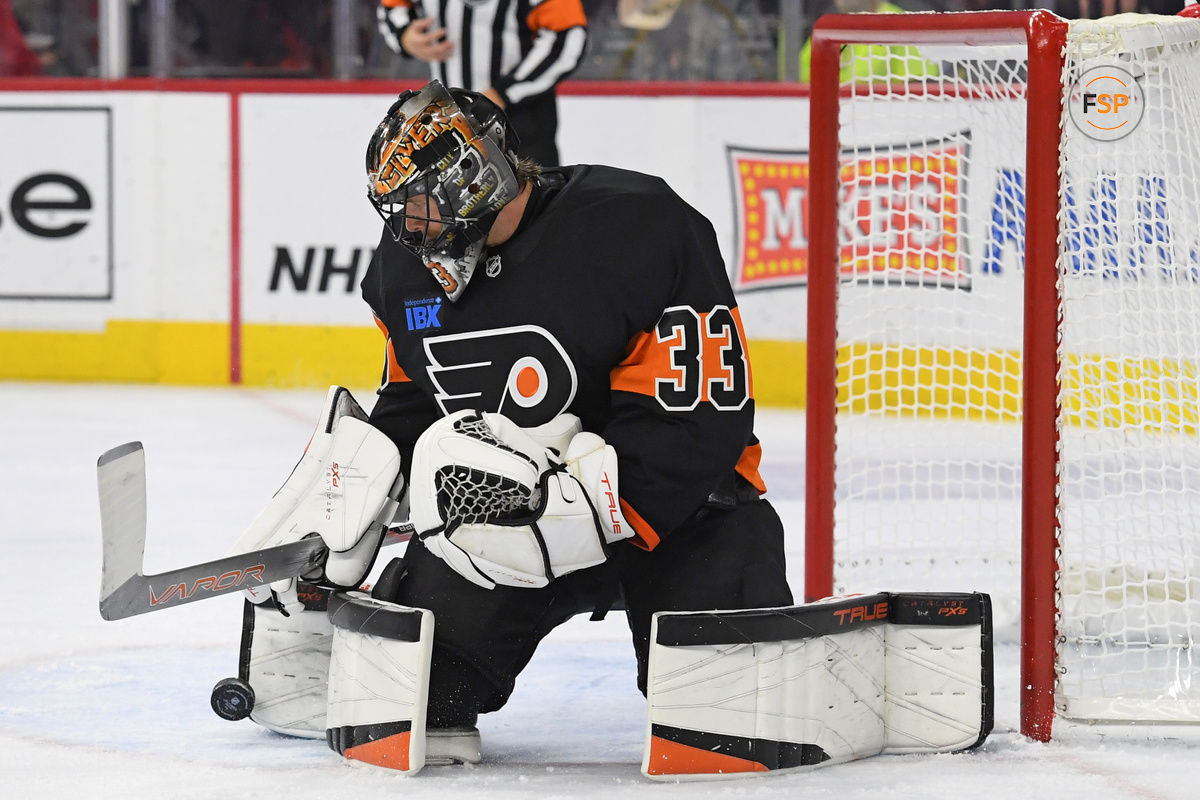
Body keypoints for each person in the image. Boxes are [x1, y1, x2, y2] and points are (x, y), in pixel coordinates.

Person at [346, 80, 793, 761]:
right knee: (403, 705)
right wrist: (345, 503)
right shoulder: (404, 272)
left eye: (421, 200)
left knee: (725, 724)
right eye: (398, 206)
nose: (409, 224)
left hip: (678, 516)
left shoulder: (637, 224)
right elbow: (412, 400)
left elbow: (701, 415)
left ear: (475, 179)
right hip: (503, 527)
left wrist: (594, 514)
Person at [375, 0, 588, 167]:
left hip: (522, 120)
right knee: (451, 211)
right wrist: (405, 36)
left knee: (532, 209)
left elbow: (568, 39)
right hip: (449, 118)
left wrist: (504, 93)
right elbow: (392, 8)